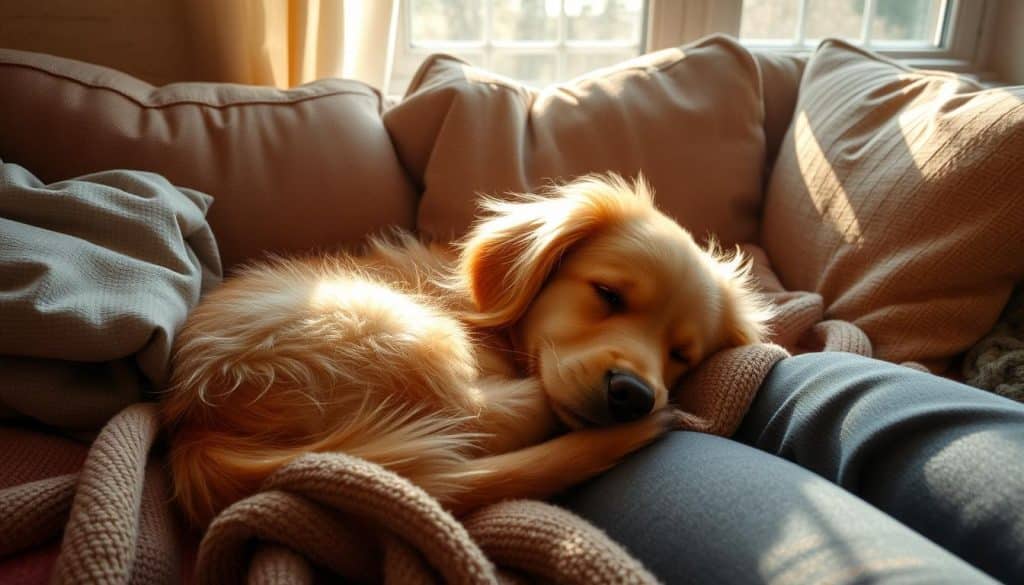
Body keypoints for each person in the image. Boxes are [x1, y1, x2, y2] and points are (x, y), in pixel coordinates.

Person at [559, 353, 1024, 584]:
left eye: (675, 350)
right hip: (632, 449)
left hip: (742, 369)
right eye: (609, 296)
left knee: (827, 380)